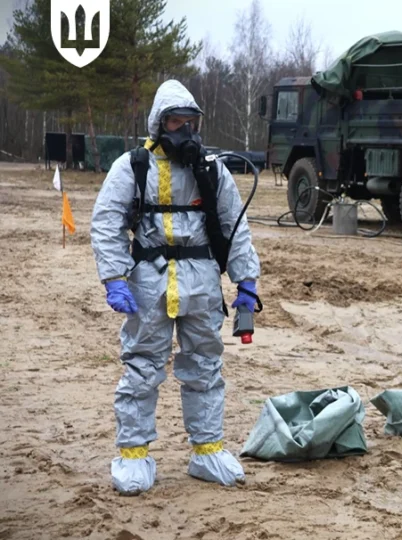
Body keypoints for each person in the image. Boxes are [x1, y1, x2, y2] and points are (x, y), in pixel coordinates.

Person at [90, 79, 261, 496]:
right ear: (158, 124)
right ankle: (132, 456)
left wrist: (247, 281)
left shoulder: (212, 169)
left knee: (205, 366)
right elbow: (107, 221)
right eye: (175, 121)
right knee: (142, 366)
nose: (184, 130)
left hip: (201, 281)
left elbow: (235, 227)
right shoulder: (133, 167)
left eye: (191, 121)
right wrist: (114, 278)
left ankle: (208, 451)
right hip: (148, 280)